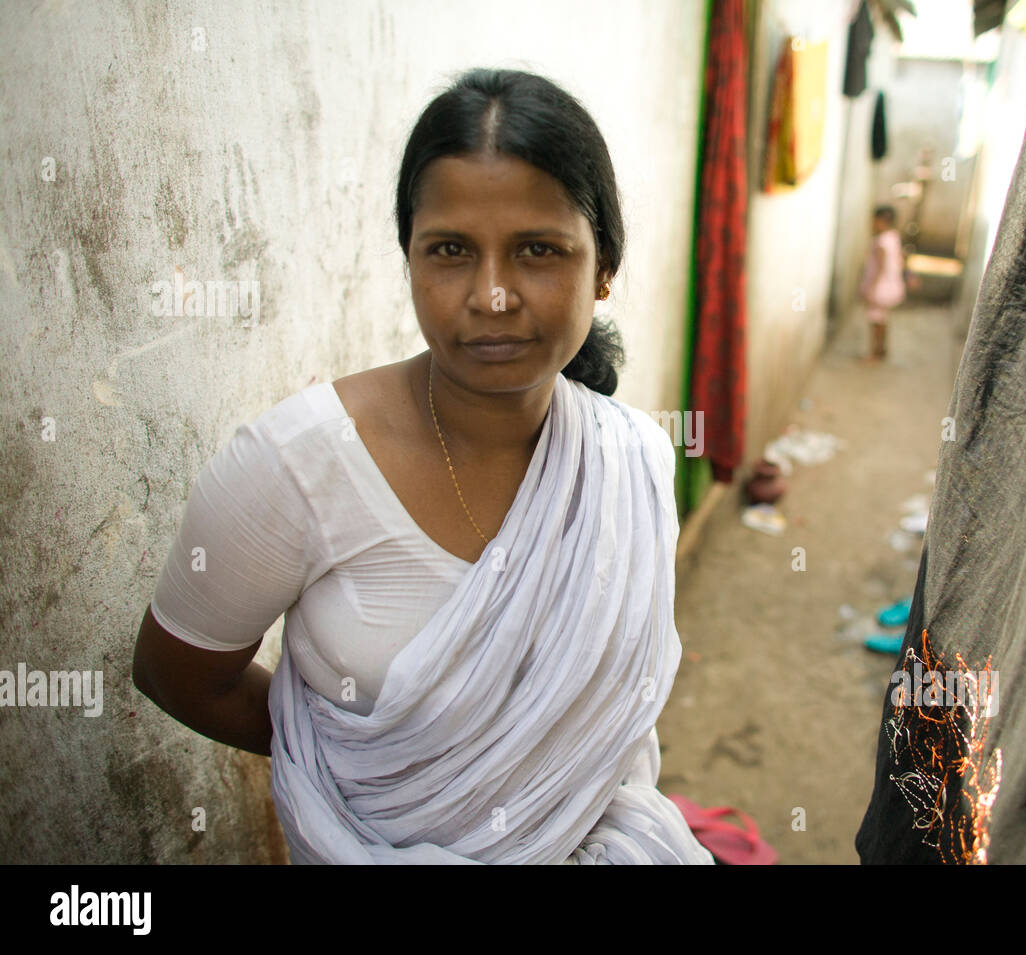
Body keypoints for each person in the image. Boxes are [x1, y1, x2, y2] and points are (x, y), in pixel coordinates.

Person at [131, 67, 713, 865]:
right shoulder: (295, 464)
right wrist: (385, 768)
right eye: (450, 250)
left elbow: (603, 728)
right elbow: (178, 672)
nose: (494, 295)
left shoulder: (631, 459)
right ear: (408, 257)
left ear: (604, 265)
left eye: (539, 251)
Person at [856, 205, 905, 361]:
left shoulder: (880, 242)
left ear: (881, 221)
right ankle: (882, 350)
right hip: (891, 285)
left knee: (875, 320)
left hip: (880, 287)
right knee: (883, 319)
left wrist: (871, 288)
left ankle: (873, 354)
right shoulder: (893, 237)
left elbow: (880, 267)